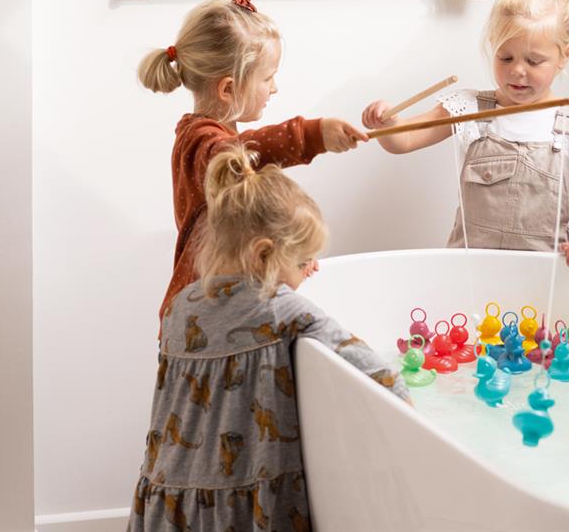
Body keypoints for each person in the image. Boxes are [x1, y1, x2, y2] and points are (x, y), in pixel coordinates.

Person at [127, 145, 409, 531]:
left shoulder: (179, 307)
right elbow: (381, 376)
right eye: (303, 260)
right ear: (263, 255)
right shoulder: (280, 309)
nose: (314, 268)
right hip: (240, 508)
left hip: (167, 498)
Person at [138, 0, 367, 321]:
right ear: (228, 89)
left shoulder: (214, 135)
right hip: (201, 322)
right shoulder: (200, 143)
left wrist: (293, 256)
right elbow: (241, 152)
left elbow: (250, 220)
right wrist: (310, 135)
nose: (274, 88)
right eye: (267, 77)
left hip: (219, 310)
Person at [362, 0, 569, 269]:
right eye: (505, 57)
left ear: (564, 56)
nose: (517, 70)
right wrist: (388, 123)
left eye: (534, 61)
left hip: (548, 276)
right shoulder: (469, 108)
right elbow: (403, 140)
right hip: (472, 274)